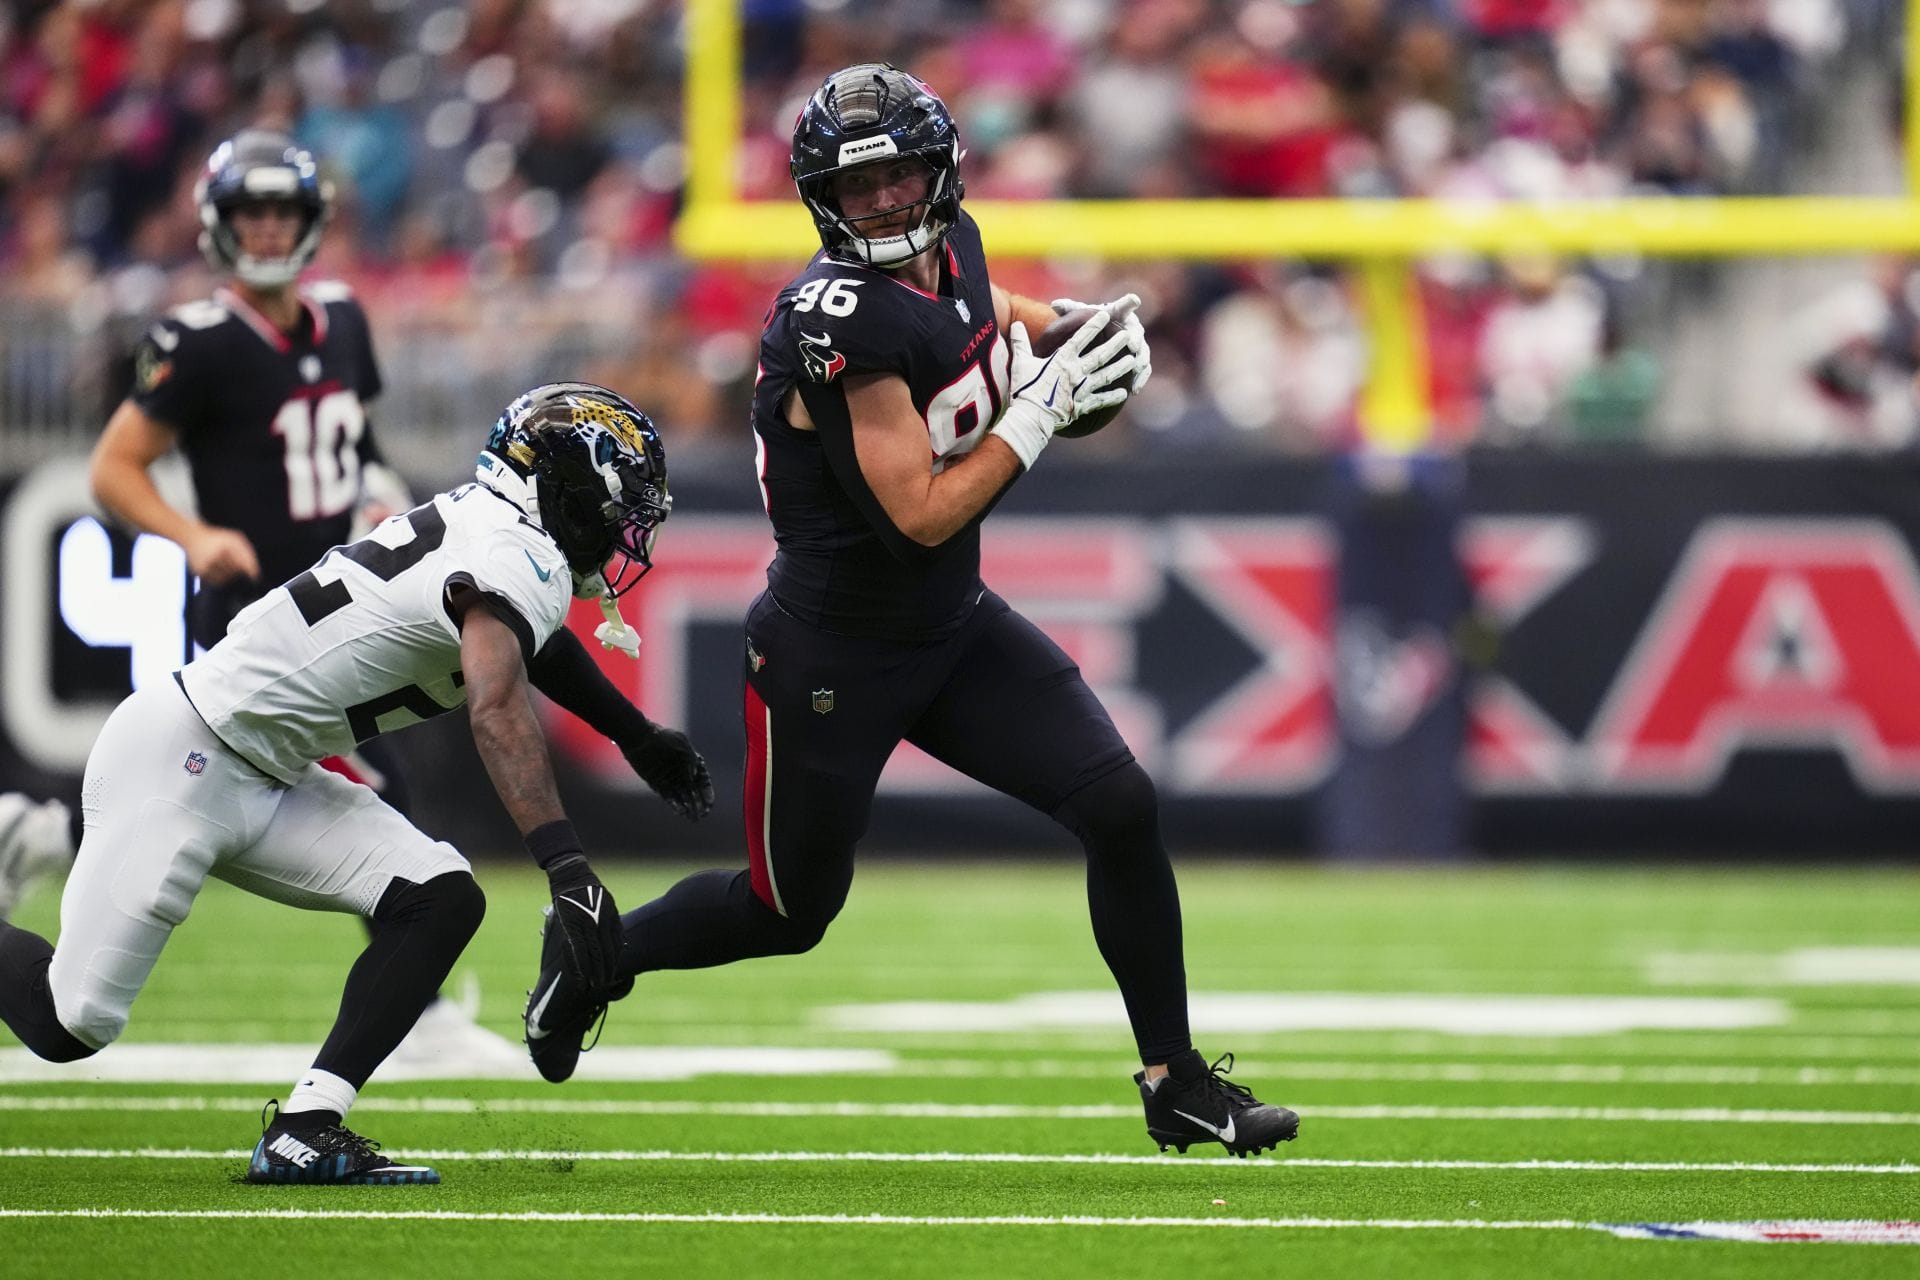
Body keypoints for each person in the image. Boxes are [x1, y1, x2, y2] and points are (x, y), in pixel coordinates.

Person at [522, 64, 1299, 1157]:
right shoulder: (834, 318)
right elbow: (919, 515)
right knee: (787, 912)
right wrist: (1036, 414)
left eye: (900, 176)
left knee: (1118, 803)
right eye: (861, 185)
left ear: (940, 171)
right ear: (822, 199)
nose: (884, 200)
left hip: (951, 626)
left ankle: (1174, 1079)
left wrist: (1066, 328)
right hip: (832, 649)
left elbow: (987, 315)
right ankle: (592, 955)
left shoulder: (960, 242)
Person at [0, 383, 712, 1184]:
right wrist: (566, 866)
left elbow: (527, 643)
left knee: (440, 894)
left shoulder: (504, 536)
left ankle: (304, 1127)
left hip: (268, 770)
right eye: (619, 502)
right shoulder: (514, 551)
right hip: (185, 756)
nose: (625, 527)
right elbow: (496, 702)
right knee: (70, 1024)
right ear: (565, 486)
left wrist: (636, 734)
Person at [87, 128, 489, 1063]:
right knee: (341, 798)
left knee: (347, 795)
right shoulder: (198, 341)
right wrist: (193, 534)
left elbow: (356, 446)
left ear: (311, 223)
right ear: (220, 226)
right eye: (251, 214)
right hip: (253, 617)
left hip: (342, 609)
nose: (268, 231)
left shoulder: (344, 318)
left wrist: (383, 491)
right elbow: (115, 469)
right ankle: (420, 1017)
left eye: (283, 213)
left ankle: (417, 1009)